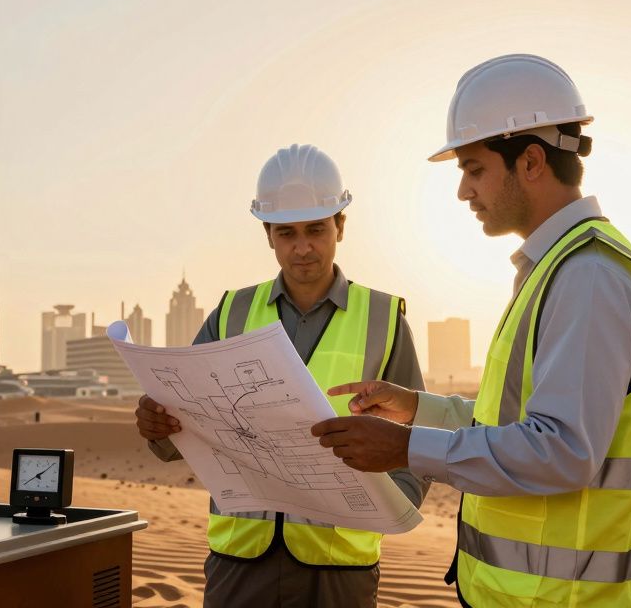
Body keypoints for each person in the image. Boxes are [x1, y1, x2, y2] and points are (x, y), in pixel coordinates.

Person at [311, 55, 631, 606]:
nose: (464, 191)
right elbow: (517, 422)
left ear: (531, 161)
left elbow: (561, 450)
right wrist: (419, 410)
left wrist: (407, 448)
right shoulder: (557, 268)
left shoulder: (588, 277)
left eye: (474, 168)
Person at [136, 144, 428, 608]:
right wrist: (158, 426)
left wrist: (393, 506)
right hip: (240, 562)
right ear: (268, 235)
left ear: (340, 226)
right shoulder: (229, 314)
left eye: (316, 229)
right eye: (286, 233)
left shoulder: (384, 319)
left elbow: (418, 430)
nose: (303, 247)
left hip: (339, 566)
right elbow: (184, 425)